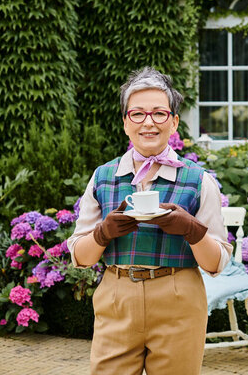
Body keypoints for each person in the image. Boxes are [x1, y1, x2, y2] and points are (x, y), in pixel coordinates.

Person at [67, 66, 232, 374]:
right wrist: (102, 234)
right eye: (138, 114)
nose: (148, 122)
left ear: (174, 123)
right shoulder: (104, 177)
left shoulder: (199, 181)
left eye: (159, 113)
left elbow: (216, 264)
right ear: (126, 123)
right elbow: (80, 256)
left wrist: (192, 231)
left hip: (179, 298)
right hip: (117, 297)